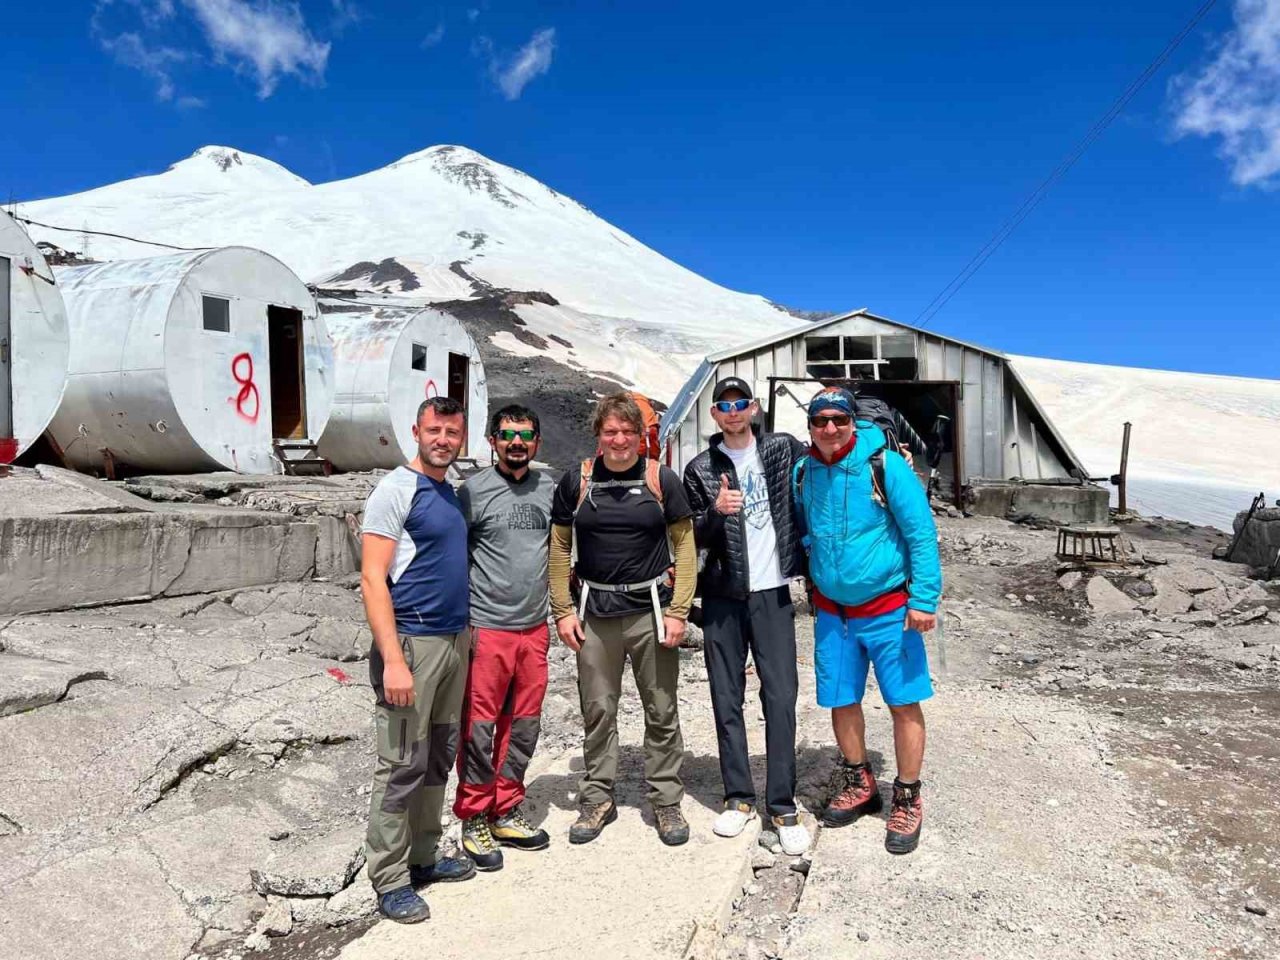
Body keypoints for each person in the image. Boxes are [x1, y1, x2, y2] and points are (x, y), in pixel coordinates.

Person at [792, 386, 942, 855]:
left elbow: (921, 533)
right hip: (833, 614)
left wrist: (924, 598)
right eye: (820, 421)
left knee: (903, 701)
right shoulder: (804, 472)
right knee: (840, 698)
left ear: (853, 422)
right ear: (810, 426)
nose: (830, 428)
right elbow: (805, 531)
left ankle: (907, 794)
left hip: (890, 610)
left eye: (839, 419)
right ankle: (859, 779)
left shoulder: (886, 467)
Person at [548, 392, 697, 846]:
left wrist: (679, 611)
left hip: (651, 612)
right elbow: (558, 548)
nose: (619, 440)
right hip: (595, 614)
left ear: (640, 436)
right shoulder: (577, 482)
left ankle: (666, 799)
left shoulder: (660, 480)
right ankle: (597, 797)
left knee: (661, 708)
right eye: (610, 431)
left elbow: (685, 545)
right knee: (598, 710)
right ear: (599, 435)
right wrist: (562, 611)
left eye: (628, 432)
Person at [681, 377, 811, 856]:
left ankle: (782, 803)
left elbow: (822, 469)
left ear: (754, 408)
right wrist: (715, 513)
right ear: (714, 415)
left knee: (780, 696)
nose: (733, 412)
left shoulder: (781, 450)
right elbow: (688, 533)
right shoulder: (699, 468)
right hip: (722, 595)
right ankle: (738, 799)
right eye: (723, 406)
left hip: (773, 593)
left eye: (740, 403)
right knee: (726, 697)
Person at [360, 396, 477, 924]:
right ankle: (388, 878)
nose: (443, 440)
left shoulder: (449, 492)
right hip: (412, 644)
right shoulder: (396, 490)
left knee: (437, 756)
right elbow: (372, 579)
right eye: (434, 430)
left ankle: (425, 855)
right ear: (416, 431)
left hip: (454, 643)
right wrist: (392, 660)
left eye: (452, 432)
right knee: (400, 763)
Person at [452, 405, 556, 871]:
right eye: (508, 435)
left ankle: (506, 807)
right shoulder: (470, 493)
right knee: (478, 726)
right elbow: (451, 557)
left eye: (526, 436)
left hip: (534, 629)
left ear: (536, 443)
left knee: (525, 723)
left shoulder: (549, 488)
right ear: (492, 441)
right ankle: (474, 815)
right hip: (487, 627)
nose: (517, 443)